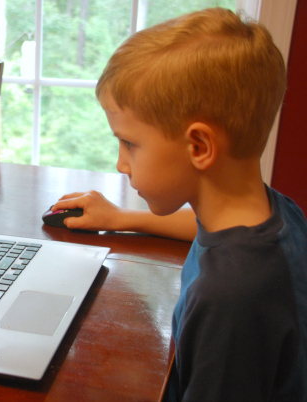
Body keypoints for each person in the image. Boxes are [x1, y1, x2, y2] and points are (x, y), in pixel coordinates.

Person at [52, 7, 307, 401]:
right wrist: (122, 219)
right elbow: (206, 232)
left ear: (199, 146)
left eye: (130, 144)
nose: (121, 164)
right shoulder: (275, 212)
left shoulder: (229, 299)